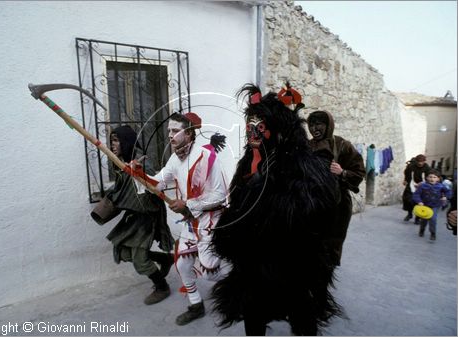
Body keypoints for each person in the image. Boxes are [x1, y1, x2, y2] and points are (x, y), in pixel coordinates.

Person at [211, 83, 342, 336]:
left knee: (301, 313)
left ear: (278, 129)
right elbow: (237, 205)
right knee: (252, 310)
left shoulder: (303, 165)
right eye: (249, 123)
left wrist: (272, 205)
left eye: (259, 124)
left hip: (292, 264)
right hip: (254, 264)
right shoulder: (249, 162)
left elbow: (319, 210)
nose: (251, 130)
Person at [132, 112, 228, 326]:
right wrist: (138, 173)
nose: (170, 135)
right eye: (169, 131)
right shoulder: (175, 158)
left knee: (211, 272)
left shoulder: (207, 156)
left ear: (190, 133)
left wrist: (188, 204)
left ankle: (243, 285)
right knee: (183, 263)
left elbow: (220, 195)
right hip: (190, 222)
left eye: (175, 131)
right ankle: (196, 305)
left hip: (210, 220)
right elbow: (157, 183)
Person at [90, 125, 174, 305]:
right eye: (111, 140)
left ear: (126, 141)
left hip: (147, 217)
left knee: (140, 261)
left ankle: (162, 287)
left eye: (116, 140)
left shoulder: (141, 159)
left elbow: (156, 184)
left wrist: (138, 172)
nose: (112, 145)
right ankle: (164, 258)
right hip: (134, 215)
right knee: (124, 252)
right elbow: (122, 188)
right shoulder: (121, 160)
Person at [307, 110, 366, 266]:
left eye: (318, 124)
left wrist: (342, 172)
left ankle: (327, 272)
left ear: (328, 125)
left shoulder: (342, 145)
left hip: (337, 205)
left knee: (332, 241)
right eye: (311, 125)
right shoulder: (307, 146)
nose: (314, 129)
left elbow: (359, 171)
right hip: (310, 202)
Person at [412, 169, 452, 240]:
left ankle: (433, 233)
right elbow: (416, 194)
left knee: (433, 219)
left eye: (434, 177)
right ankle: (422, 230)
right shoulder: (422, 186)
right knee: (424, 219)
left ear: (438, 179)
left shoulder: (441, 186)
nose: (432, 179)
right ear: (427, 178)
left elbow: (449, 192)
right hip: (424, 206)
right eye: (430, 177)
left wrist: (445, 197)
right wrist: (419, 201)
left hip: (435, 206)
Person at [402, 154, 430, 223]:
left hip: (422, 186)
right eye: (418, 162)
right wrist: (405, 180)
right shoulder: (411, 166)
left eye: (422, 162)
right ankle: (410, 214)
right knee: (407, 199)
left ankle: (418, 218)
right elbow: (406, 173)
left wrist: (423, 183)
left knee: (419, 202)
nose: (420, 163)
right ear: (416, 161)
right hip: (412, 184)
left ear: (424, 161)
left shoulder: (427, 168)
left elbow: (429, 177)